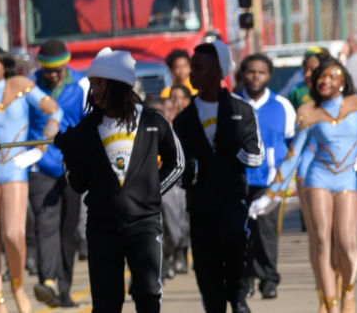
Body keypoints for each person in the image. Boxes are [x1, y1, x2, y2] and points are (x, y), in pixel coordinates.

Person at [53, 48, 183, 313]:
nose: (96, 90)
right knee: (106, 304)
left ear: (120, 85)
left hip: (144, 224)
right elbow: (78, 184)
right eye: (93, 83)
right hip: (102, 227)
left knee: (148, 295)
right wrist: (69, 155)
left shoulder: (152, 121)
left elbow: (177, 163)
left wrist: (150, 193)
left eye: (102, 83)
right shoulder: (85, 129)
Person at [254, 58, 357, 313]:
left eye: (331, 76)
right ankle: (330, 303)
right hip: (317, 178)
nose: (325, 81)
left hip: (347, 178)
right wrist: (270, 194)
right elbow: (293, 155)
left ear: (343, 80)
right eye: (320, 78)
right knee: (322, 240)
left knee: (347, 244)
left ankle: (347, 289)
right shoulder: (308, 111)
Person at [0, 45, 61, 313]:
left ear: (4, 63)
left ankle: (17, 285)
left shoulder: (21, 85)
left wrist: (40, 147)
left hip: (17, 166)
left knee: (14, 234)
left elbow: (55, 112)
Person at [174, 41, 265, 313]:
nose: (192, 74)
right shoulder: (183, 120)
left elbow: (256, 153)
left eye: (199, 68)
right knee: (205, 263)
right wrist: (193, 171)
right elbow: (178, 165)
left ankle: (238, 298)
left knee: (235, 250)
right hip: (200, 204)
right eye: (192, 68)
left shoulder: (241, 110)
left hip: (232, 198)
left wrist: (228, 155)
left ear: (218, 71)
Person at [27, 40, 87, 308]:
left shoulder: (83, 85)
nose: (51, 74)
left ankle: (64, 288)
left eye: (56, 69)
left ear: (66, 63)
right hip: (40, 166)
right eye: (46, 69)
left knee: (69, 229)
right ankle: (48, 281)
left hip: (72, 166)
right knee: (45, 224)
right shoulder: (30, 86)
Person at [235, 53, 297, 300]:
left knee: (265, 232)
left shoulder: (282, 106)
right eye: (251, 72)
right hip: (238, 179)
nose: (256, 77)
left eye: (261, 72)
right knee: (240, 232)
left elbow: (293, 145)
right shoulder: (232, 102)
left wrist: (288, 179)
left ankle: (269, 279)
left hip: (269, 181)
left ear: (269, 75)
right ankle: (245, 278)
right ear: (244, 74)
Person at [162, 82, 195, 279]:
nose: (175, 103)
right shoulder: (159, 127)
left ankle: (181, 254)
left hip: (184, 182)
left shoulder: (189, 123)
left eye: (179, 98)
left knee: (184, 223)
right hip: (166, 183)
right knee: (170, 226)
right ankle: (167, 258)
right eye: (171, 99)